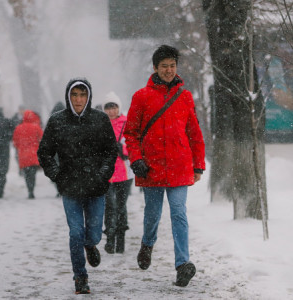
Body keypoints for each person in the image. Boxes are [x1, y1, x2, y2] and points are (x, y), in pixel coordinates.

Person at [124, 45, 206, 287]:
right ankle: (147, 244)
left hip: (180, 166)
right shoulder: (141, 97)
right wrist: (136, 159)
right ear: (155, 68)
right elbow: (131, 133)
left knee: (179, 212)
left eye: (172, 66)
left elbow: (194, 133)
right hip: (152, 166)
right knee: (152, 214)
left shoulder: (185, 97)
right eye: (164, 66)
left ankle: (182, 264)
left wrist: (198, 165)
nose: (169, 70)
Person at [37, 78, 118, 294]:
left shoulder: (100, 119)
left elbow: (111, 150)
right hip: (70, 187)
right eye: (75, 95)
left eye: (83, 95)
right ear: (68, 97)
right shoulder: (57, 121)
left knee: (93, 234)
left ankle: (90, 245)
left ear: (89, 96)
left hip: (95, 187)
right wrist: (57, 175)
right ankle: (80, 277)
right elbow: (44, 152)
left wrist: (103, 175)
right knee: (75, 233)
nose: (79, 99)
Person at [102, 92, 134, 254]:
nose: (111, 111)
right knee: (109, 206)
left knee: (121, 206)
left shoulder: (127, 124)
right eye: (108, 107)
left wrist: (123, 149)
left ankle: (120, 240)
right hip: (106, 173)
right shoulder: (100, 125)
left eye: (113, 107)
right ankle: (110, 238)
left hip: (124, 173)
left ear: (119, 108)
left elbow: (134, 143)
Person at [12, 110, 43, 199]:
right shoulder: (36, 127)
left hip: (23, 155)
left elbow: (15, 142)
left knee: (27, 174)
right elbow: (42, 139)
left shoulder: (18, 128)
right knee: (32, 174)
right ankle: (32, 189)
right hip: (33, 154)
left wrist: (20, 147)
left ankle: (29, 190)